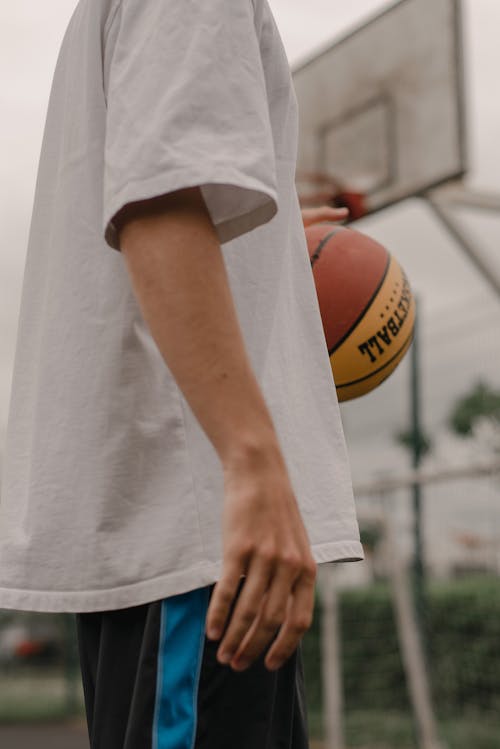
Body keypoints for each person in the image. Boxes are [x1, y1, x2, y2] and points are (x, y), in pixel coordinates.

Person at [0, 0, 363, 746]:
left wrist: (271, 257)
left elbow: (159, 186)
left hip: (182, 529)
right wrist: (253, 462)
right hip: (194, 531)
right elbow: (156, 202)